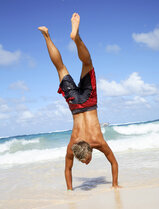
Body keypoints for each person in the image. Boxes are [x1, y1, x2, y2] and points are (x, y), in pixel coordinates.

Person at [38, 13, 119, 190]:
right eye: (85, 161)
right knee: (61, 68)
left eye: (85, 161)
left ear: (89, 150)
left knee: (86, 64)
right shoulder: (72, 145)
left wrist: (70, 191)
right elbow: (68, 169)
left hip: (89, 102)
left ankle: (65, 37)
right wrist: (113, 185)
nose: (86, 163)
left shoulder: (99, 143)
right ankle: (49, 35)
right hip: (75, 103)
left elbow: (113, 163)